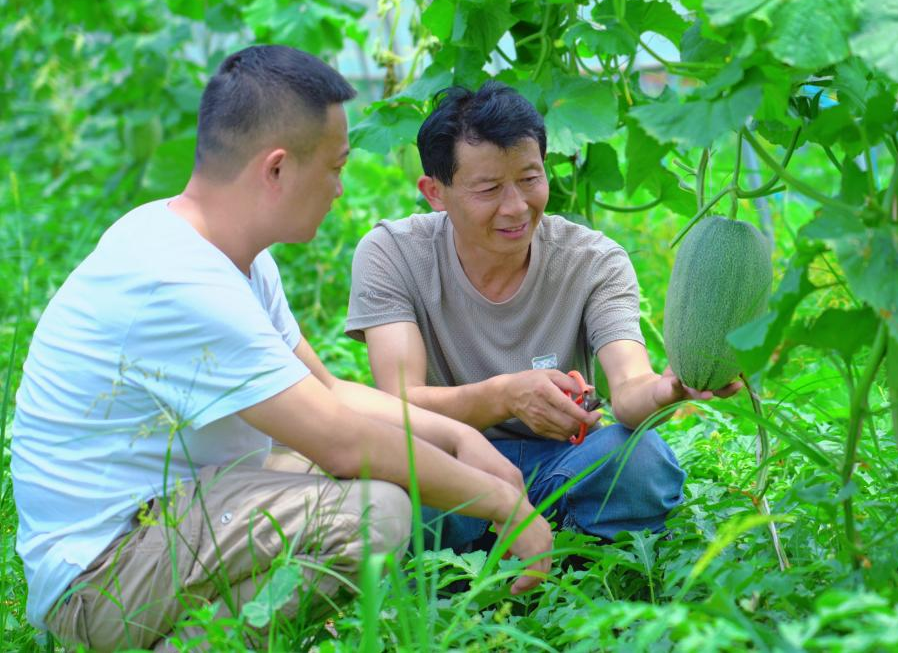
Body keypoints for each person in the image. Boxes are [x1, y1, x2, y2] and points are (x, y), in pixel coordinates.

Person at [11, 46, 552, 652]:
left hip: (172, 517)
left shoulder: (226, 253)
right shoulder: (176, 277)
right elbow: (341, 440)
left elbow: (328, 395)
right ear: (275, 170)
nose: (341, 191)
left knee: (364, 474)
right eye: (335, 167)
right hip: (102, 576)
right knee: (374, 512)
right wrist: (506, 505)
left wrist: (458, 437)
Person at [345, 81, 739, 553]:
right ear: (435, 192)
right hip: (451, 462)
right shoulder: (392, 254)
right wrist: (505, 396)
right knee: (391, 487)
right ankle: (542, 541)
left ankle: (538, 546)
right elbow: (399, 403)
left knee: (639, 463)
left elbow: (630, 389)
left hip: (563, 460)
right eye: (488, 188)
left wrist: (669, 389)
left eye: (530, 180)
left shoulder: (594, 261)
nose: (516, 207)